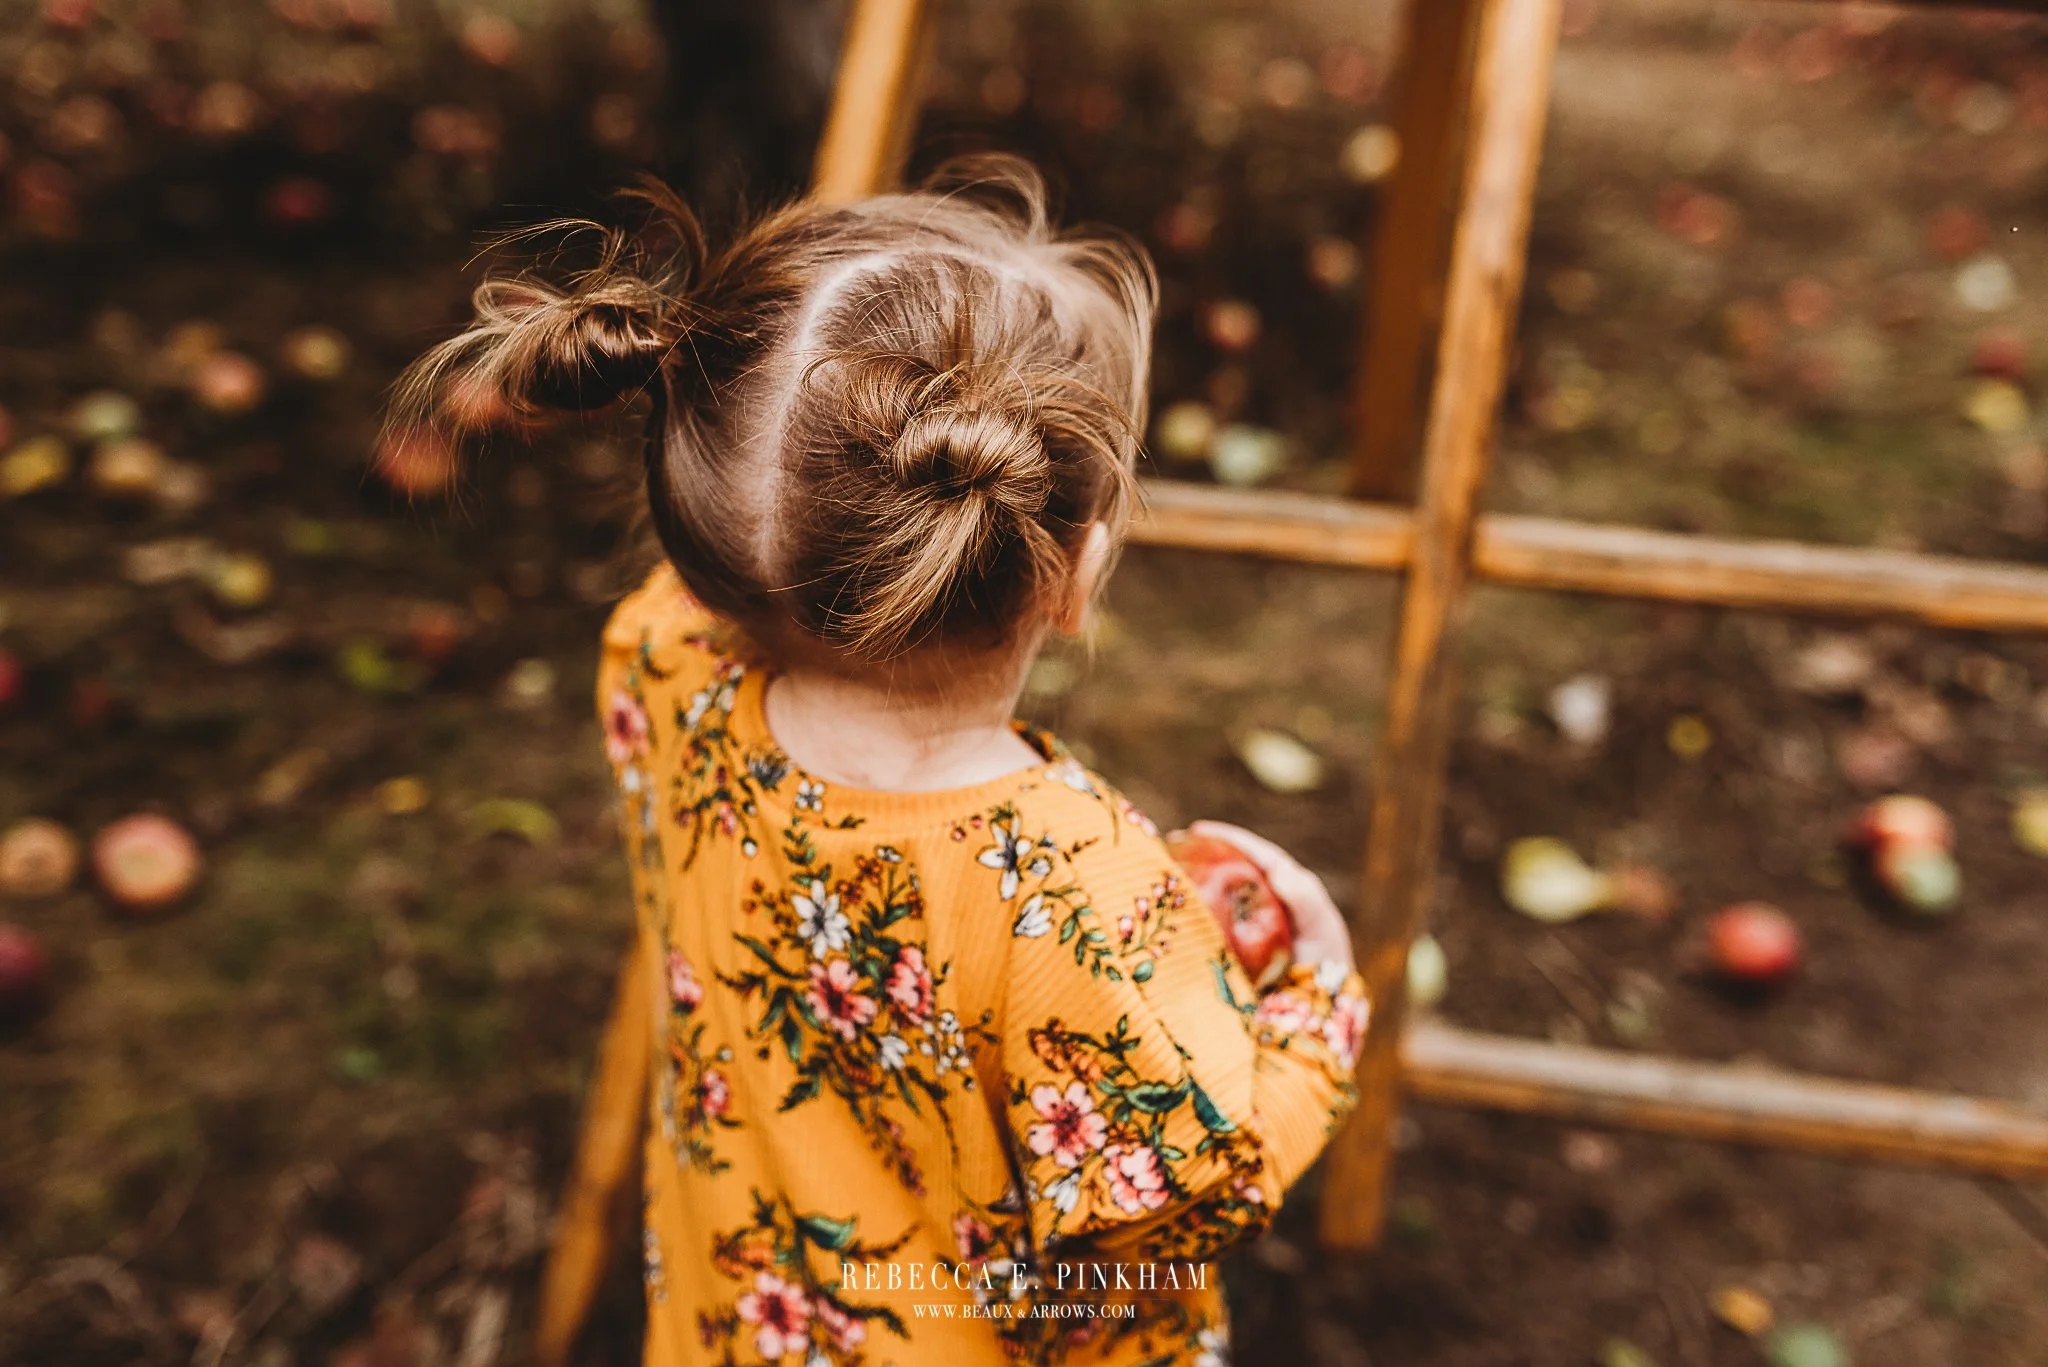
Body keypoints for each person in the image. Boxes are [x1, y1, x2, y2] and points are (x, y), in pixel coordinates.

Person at [388, 157, 1369, 1367]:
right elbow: (1171, 1208)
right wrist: (1312, 1016)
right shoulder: (1078, 892)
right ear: (1076, 574)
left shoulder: (667, 668)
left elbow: (737, 539)